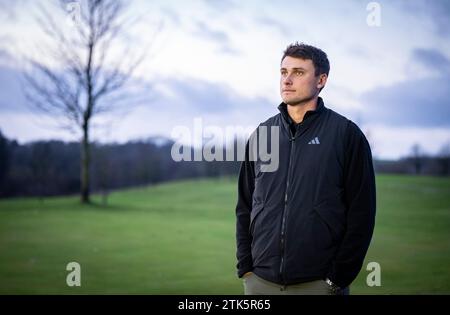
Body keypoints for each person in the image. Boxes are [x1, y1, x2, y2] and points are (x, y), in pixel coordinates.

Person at [235, 42, 376, 295]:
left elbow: (362, 214)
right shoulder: (263, 134)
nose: (287, 80)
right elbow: (245, 205)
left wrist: (336, 279)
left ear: (321, 80)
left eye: (298, 72)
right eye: (283, 72)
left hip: (319, 284)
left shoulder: (346, 135)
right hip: (260, 282)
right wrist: (246, 267)